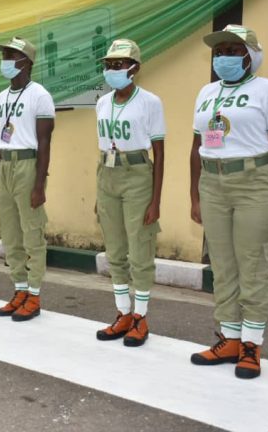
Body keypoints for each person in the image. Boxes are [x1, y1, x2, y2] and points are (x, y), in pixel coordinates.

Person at [189, 25, 268, 379]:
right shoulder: (207, 92)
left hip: (256, 184)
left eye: (234, 51)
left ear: (251, 56)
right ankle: (230, 339)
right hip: (213, 182)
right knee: (222, 266)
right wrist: (195, 195)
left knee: (253, 264)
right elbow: (196, 146)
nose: (224, 57)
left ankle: (251, 346)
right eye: (219, 52)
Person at [93, 39, 165, 347]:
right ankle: (123, 313)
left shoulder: (150, 102)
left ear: (135, 67)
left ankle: (140, 317)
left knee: (139, 250)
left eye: (119, 64)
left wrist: (155, 200)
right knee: (115, 250)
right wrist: (99, 193)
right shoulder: (102, 103)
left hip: (137, 175)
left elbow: (159, 152)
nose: (113, 69)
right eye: (109, 64)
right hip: (107, 174)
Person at [0, 36, 55, 322]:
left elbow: (45, 142)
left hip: (28, 165)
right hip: (5, 164)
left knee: (32, 233)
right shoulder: (2, 96)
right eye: (4, 55)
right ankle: (19, 289)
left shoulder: (39, 95)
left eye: (10, 55)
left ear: (26, 62)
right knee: (10, 233)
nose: (4, 61)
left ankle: (34, 294)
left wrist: (39, 185)